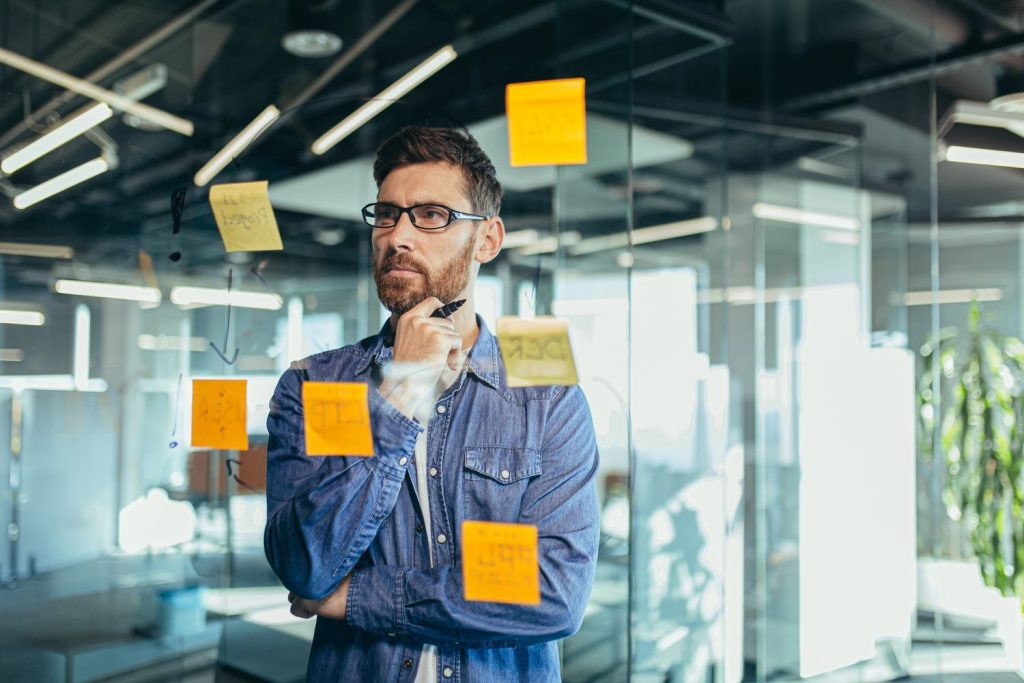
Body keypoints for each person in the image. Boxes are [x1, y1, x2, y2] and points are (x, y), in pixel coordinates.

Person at [264, 125, 600, 682]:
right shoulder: (316, 385)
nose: (399, 235)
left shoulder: (546, 400)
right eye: (388, 214)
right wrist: (399, 393)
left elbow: (553, 593)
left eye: (432, 215)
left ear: (487, 241)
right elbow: (305, 564)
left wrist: (358, 599)